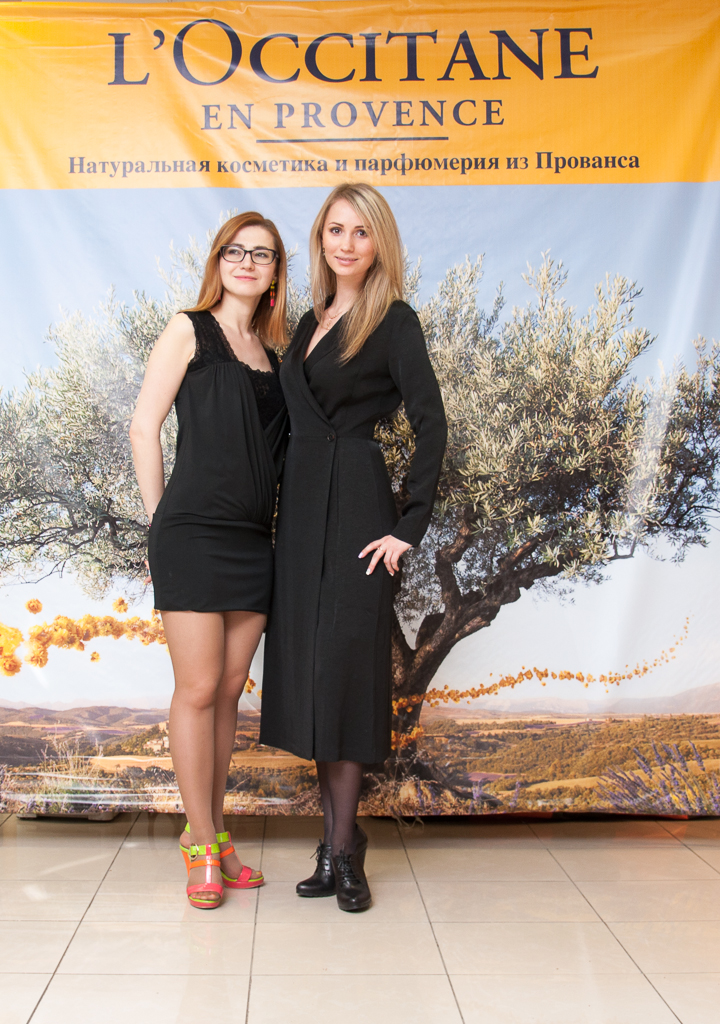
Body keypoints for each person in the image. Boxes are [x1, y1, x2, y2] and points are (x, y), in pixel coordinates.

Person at [261, 183, 447, 912]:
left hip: (358, 511)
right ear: (320, 239)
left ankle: (344, 849)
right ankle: (334, 841)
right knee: (314, 678)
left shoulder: (394, 320)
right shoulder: (308, 320)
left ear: (379, 244)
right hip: (301, 515)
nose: (347, 244)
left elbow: (432, 424)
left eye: (361, 232)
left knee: (343, 676)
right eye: (335, 230)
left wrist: (408, 525)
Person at [129, 212, 288, 910]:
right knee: (196, 689)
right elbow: (144, 426)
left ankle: (217, 836)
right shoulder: (188, 329)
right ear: (218, 260)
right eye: (235, 250)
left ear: (276, 272)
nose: (247, 261)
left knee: (227, 691)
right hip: (191, 533)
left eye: (263, 254)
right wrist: (158, 522)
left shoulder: (274, 355)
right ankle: (199, 845)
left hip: (254, 541)